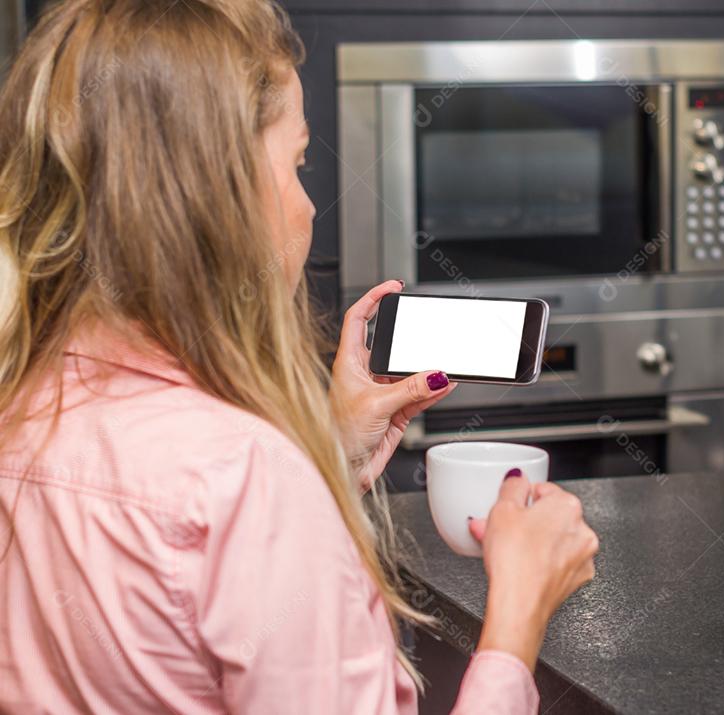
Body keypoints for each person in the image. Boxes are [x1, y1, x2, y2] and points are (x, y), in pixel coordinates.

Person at [0, 1, 598, 712]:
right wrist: (516, 619)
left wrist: (329, 450)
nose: (310, 206)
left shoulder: (23, 404)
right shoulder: (251, 478)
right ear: (215, 197)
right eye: (297, 162)